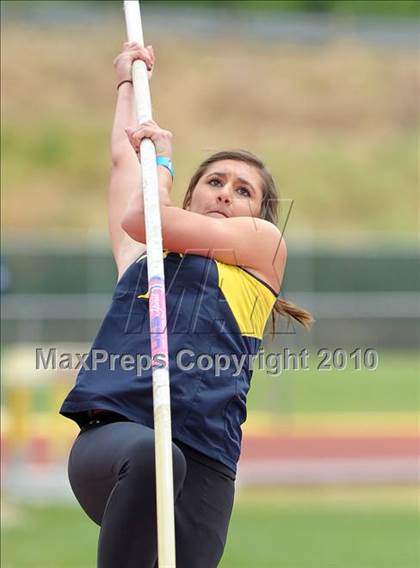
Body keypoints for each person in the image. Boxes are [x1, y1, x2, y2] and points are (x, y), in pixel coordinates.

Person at [60, 42, 313, 568]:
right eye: (214, 182)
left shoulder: (262, 249)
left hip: (206, 466)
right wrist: (128, 80)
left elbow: (151, 213)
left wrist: (166, 167)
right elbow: (125, 170)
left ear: (259, 214)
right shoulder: (140, 253)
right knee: (155, 455)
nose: (225, 193)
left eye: (242, 190)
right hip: (115, 443)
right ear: (192, 194)